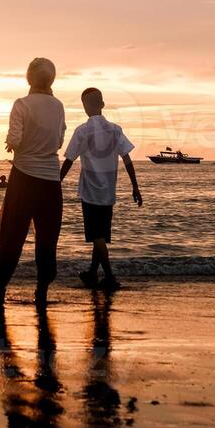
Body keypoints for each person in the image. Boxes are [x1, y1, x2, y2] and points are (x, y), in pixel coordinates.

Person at [0, 57, 66, 308]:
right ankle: (42, 292)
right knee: (47, 238)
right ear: (52, 79)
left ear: (29, 79)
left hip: (25, 177)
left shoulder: (22, 104)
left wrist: (12, 141)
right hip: (50, 180)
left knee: (12, 235)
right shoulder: (58, 106)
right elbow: (59, 141)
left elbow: (14, 139)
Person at [59, 88, 143, 289]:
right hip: (108, 193)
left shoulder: (82, 131)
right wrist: (135, 187)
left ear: (85, 107)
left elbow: (69, 160)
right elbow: (127, 159)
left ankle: (110, 277)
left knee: (97, 237)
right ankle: (91, 273)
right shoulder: (115, 130)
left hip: (90, 192)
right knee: (101, 235)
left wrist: (56, 184)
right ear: (102, 104)